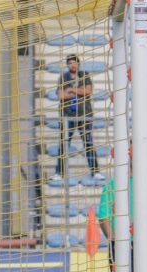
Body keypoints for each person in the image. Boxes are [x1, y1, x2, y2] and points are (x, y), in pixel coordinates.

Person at [51, 54, 101, 182]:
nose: (73, 65)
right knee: (63, 144)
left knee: (88, 143)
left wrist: (71, 90)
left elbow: (88, 91)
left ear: (78, 64)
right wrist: (78, 91)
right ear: (67, 65)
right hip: (67, 117)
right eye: (70, 63)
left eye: (75, 62)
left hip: (85, 116)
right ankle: (59, 172)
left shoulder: (84, 75)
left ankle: (95, 172)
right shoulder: (63, 77)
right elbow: (61, 95)